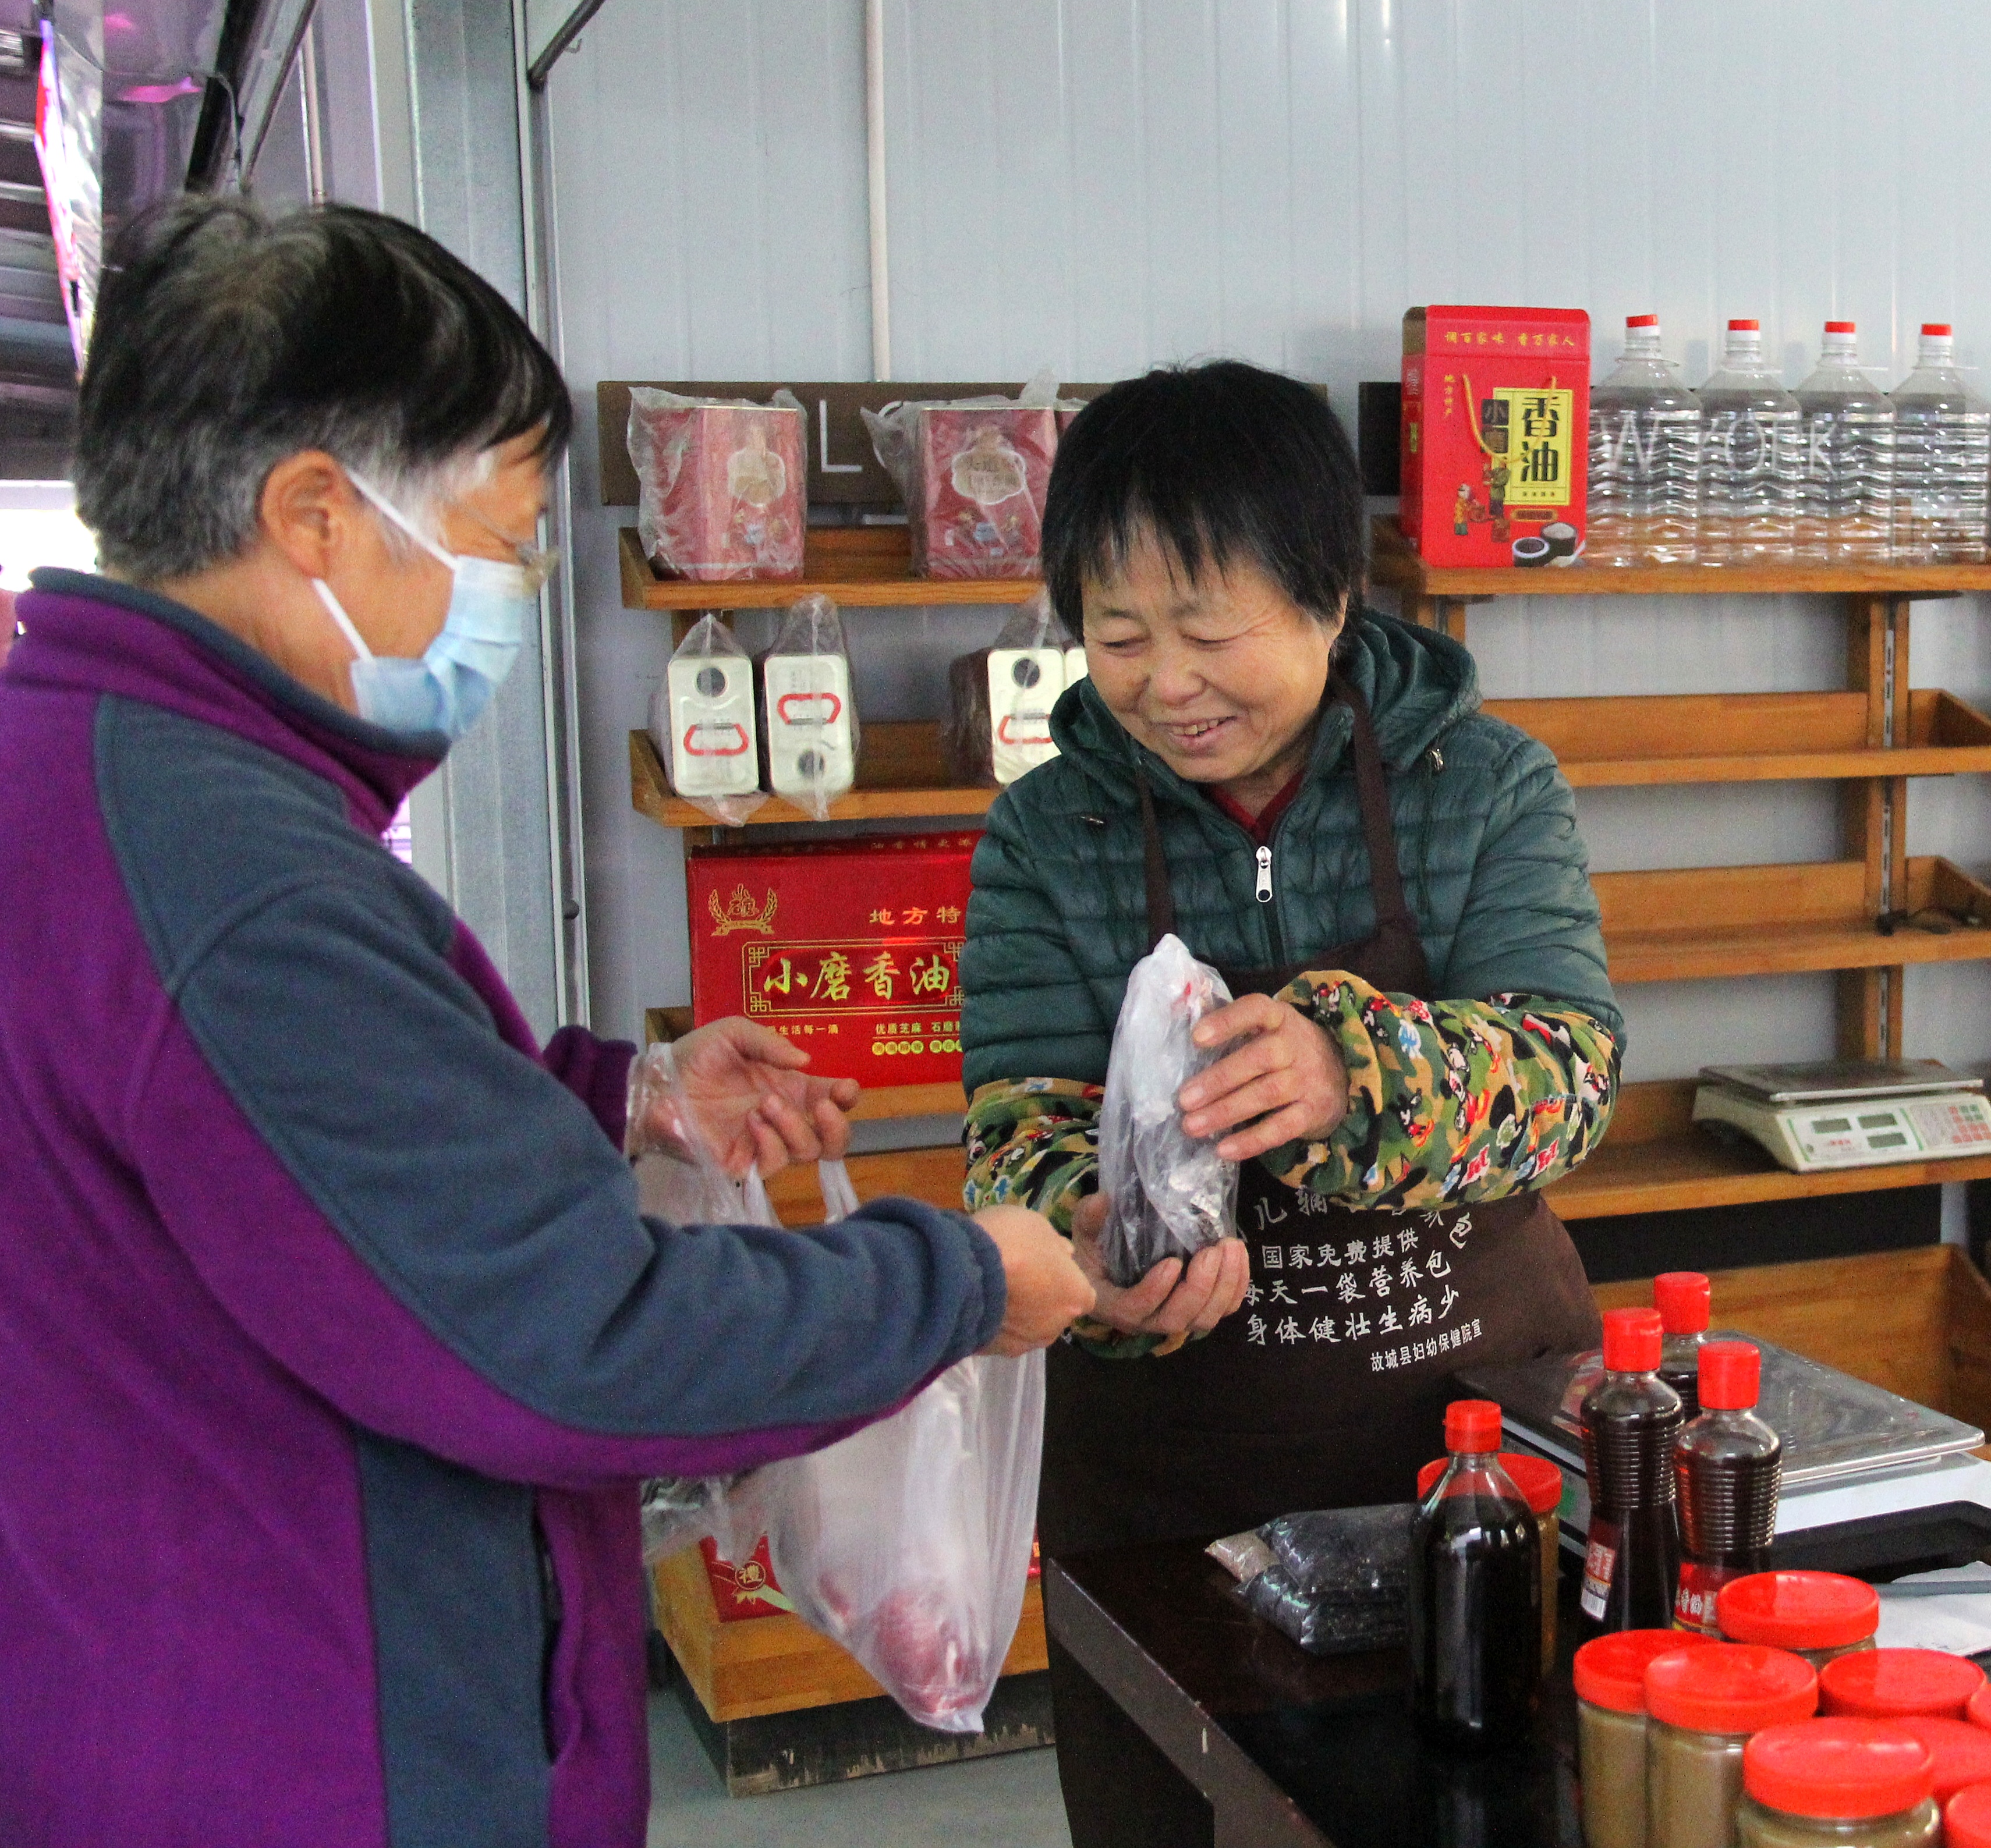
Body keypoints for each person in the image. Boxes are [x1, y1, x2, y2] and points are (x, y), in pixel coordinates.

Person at [0, 198, 1093, 1848]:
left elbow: (290, 1156)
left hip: (149, 1675)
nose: (511, 594)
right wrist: (963, 1282)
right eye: (502, 541)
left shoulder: (93, 779)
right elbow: (577, 1340)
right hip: (310, 1748)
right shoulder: (230, 876)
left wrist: (612, 1096)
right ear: (315, 515)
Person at [960, 360, 1623, 1847]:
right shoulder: (1048, 832)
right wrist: (1087, 1231)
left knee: (1481, 1806)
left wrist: (1353, 1071)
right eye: (1118, 637)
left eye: (1209, 632)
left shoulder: (1484, 785)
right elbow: (1015, 1120)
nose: (1166, 683)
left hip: (1470, 1444)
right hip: (1172, 1479)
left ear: (1331, 600)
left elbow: (1573, 1076)